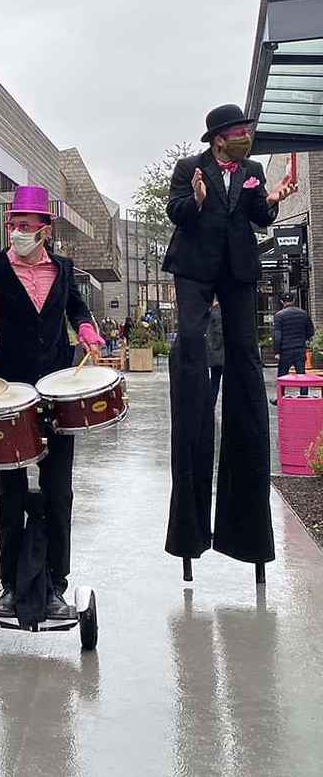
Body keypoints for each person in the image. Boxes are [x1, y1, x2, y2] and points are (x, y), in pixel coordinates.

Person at [162, 104, 296, 578]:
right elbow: (175, 211)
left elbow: (259, 216)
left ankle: (244, 534)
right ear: (219, 137)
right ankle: (191, 530)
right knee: (193, 348)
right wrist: (196, 200)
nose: (245, 136)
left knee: (242, 355)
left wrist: (275, 198)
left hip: (237, 268)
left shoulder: (252, 170)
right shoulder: (188, 169)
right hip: (195, 269)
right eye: (239, 131)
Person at [0, 185, 104, 621]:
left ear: (44, 230)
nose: (17, 232)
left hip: (57, 392)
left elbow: (77, 310)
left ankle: (57, 584)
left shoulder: (63, 268)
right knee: (10, 491)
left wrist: (87, 332)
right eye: (13, 225)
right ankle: (8, 584)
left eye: (25, 225)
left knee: (59, 492)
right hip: (10, 394)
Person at [274, 293, 314, 379]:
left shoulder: (279, 315)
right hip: (300, 348)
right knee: (301, 374)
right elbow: (311, 331)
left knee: (282, 376)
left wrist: (277, 352)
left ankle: (281, 392)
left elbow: (278, 335)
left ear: (282, 302)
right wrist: (303, 338)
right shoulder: (303, 314)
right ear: (294, 300)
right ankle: (303, 392)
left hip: (285, 350)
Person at [206, 300, 224, 410]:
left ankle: (210, 405)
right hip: (220, 353)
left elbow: (214, 334)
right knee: (216, 380)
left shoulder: (214, 312)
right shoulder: (217, 311)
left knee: (215, 381)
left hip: (217, 353)